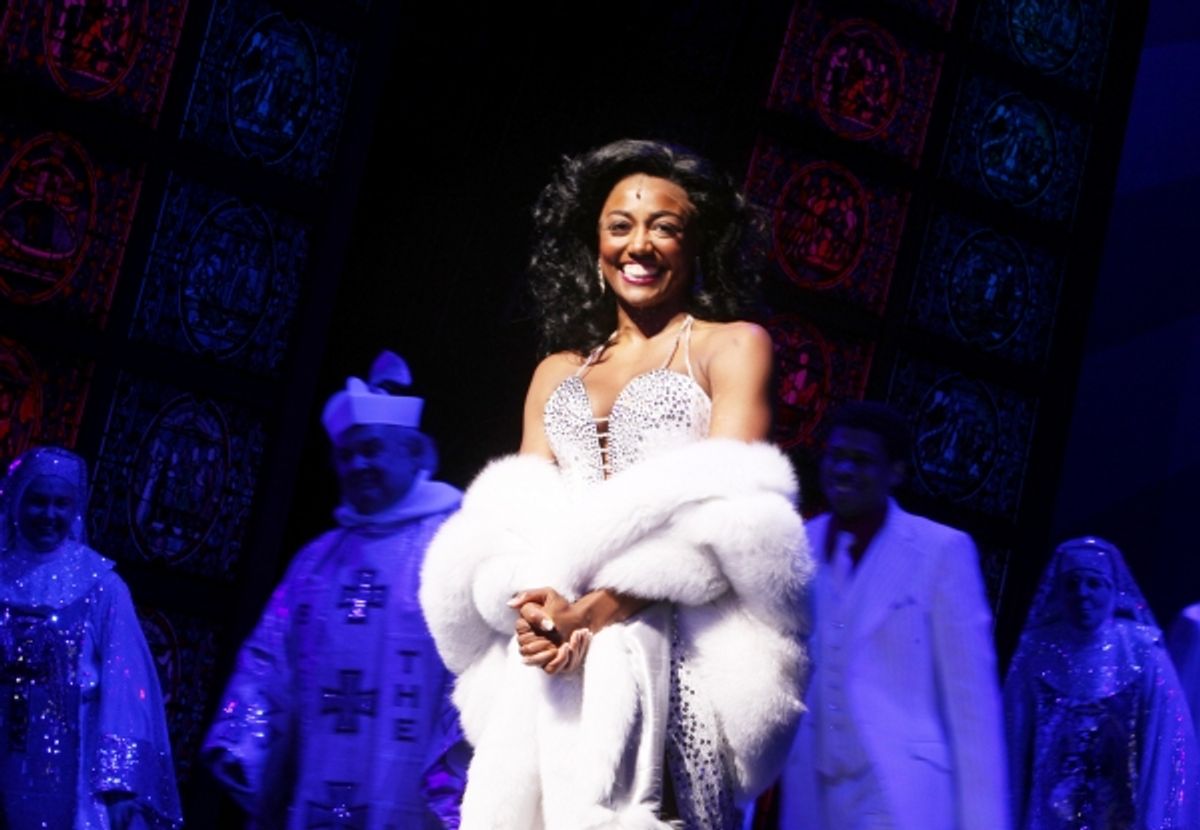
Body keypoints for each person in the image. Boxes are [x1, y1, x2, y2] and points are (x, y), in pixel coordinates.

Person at [419, 138, 812, 830]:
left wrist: (592, 613)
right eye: (620, 225)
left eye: (665, 226)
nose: (641, 243)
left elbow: (727, 517)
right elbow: (519, 513)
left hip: (671, 651)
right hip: (557, 658)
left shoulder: (732, 346)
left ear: (696, 246)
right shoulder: (556, 370)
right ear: (595, 242)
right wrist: (539, 617)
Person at [202, 353, 469, 829]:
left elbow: (481, 661)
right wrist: (243, 736)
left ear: (414, 453)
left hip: (412, 787)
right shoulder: (316, 561)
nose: (357, 464)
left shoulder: (457, 542)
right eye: (346, 455)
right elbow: (268, 658)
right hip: (317, 780)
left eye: (370, 449)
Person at [780, 401, 1009, 830]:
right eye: (836, 456)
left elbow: (972, 707)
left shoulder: (940, 551)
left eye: (862, 460)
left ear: (896, 471)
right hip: (814, 791)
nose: (844, 470)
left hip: (900, 792)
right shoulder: (799, 544)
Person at [0, 445, 182, 829]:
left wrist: (119, 783)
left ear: (74, 507)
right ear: (17, 500)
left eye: (60, 504)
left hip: (72, 761)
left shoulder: (101, 587)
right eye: (37, 501)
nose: (49, 515)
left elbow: (126, 688)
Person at [1005, 536, 1199, 829]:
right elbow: (1014, 736)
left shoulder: (1141, 651)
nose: (1082, 594)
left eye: (1093, 583)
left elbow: (1167, 739)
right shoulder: (1038, 651)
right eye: (1071, 584)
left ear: (1112, 588)